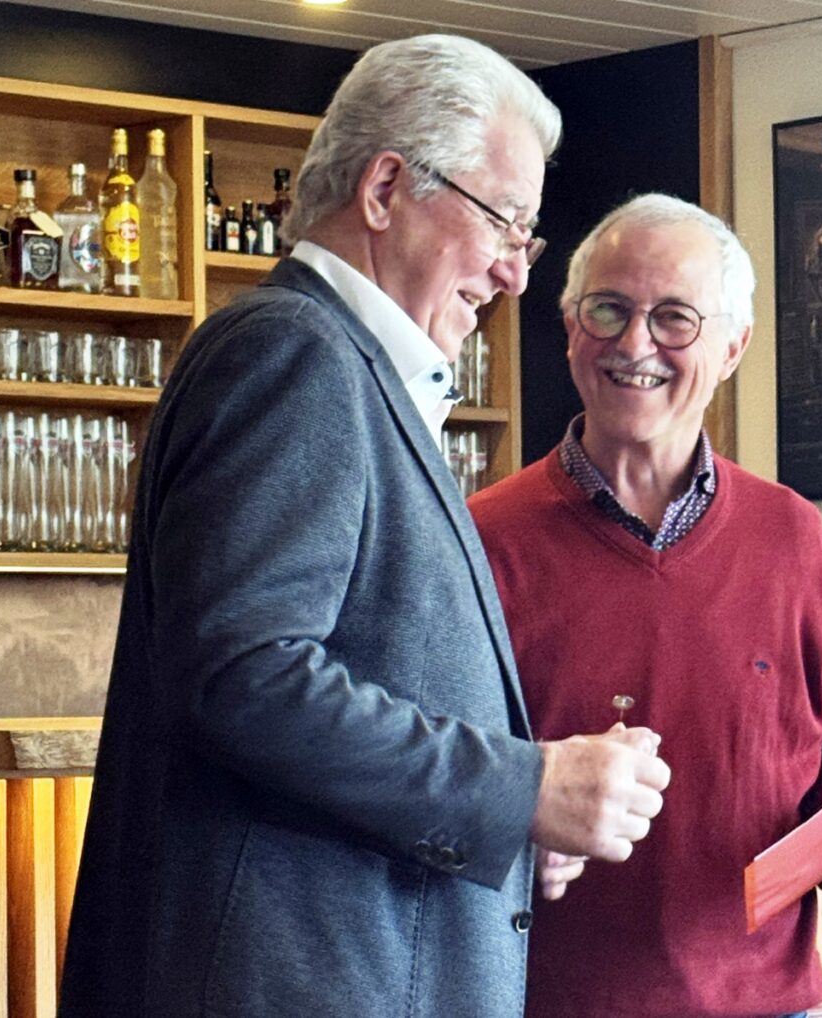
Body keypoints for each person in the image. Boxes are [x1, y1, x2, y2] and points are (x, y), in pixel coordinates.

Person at [57, 35, 671, 1018]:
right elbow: (244, 676)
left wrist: (515, 822)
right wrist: (520, 788)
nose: (514, 273)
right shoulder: (292, 352)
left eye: (526, 238)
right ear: (385, 189)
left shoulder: (340, 364)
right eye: (504, 222)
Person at [468, 193, 822, 1018]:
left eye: (674, 319)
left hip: (769, 1006)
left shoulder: (791, 536)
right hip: (547, 1006)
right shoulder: (479, 539)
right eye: (608, 310)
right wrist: (513, 830)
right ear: (571, 328)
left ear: (732, 348)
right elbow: (431, 789)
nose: (634, 345)